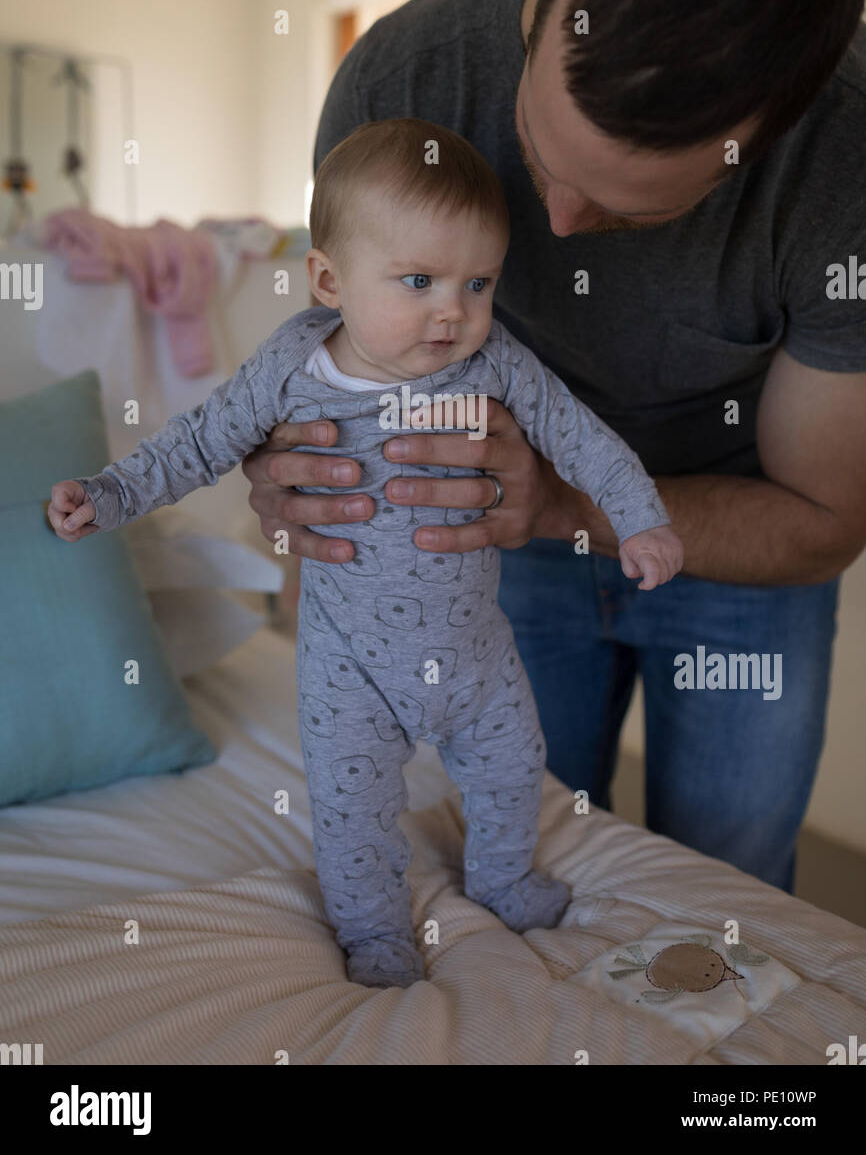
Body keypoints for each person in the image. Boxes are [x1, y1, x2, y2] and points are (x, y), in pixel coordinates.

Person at [241, 0, 866, 893]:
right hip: (493, 538)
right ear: (545, 4)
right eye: (539, 156)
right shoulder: (402, 80)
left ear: (761, 141)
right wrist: (290, 476)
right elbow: (334, 367)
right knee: (514, 852)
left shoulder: (842, 167)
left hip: (736, 542)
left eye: (631, 210)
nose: (558, 227)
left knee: (725, 893)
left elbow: (821, 520)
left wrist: (559, 506)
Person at [47, 118, 683, 987]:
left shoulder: (493, 360)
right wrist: (111, 493)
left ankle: (501, 880)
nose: (452, 310)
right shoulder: (291, 368)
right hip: (351, 660)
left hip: (475, 651)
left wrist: (639, 518)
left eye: (478, 282)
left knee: (513, 769)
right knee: (353, 811)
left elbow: (581, 436)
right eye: (418, 280)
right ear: (328, 280)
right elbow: (190, 446)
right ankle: (374, 931)